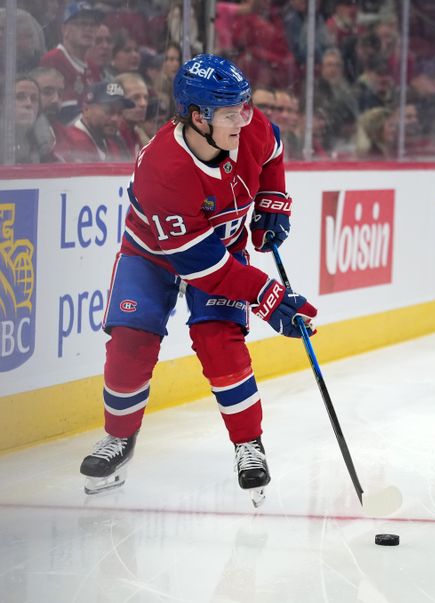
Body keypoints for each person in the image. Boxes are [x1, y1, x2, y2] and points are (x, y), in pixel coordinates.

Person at [78, 54, 318, 505]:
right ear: (196, 117)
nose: (244, 120)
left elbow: (274, 151)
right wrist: (267, 294)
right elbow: (201, 267)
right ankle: (119, 438)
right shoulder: (163, 168)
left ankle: (249, 445)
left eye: (244, 108)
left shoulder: (248, 128)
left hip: (220, 248)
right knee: (131, 339)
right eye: (231, 113)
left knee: (220, 340)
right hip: (153, 256)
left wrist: (271, 202)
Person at [53, 80, 133, 162]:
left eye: (120, 113)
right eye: (109, 111)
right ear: (86, 109)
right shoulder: (68, 142)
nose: (115, 119)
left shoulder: (116, 143)